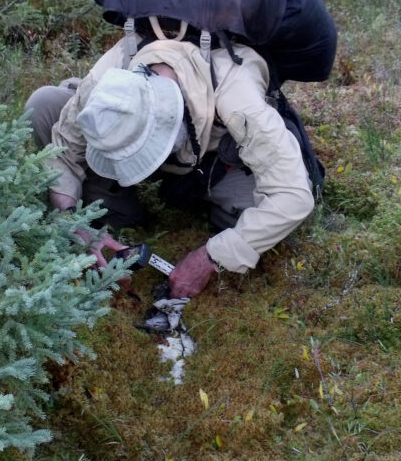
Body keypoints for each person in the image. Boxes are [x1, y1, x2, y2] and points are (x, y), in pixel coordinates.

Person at [25, 24, 321, 299]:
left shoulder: (237, 97)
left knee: (263, 217)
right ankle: (113, 213)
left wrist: (212, 257)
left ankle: (201, 203)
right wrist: (76, 224)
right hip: (174, 141)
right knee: (44, 105)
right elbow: (64, 149)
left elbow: (293, 196)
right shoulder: (109, 75)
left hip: (211, 158)